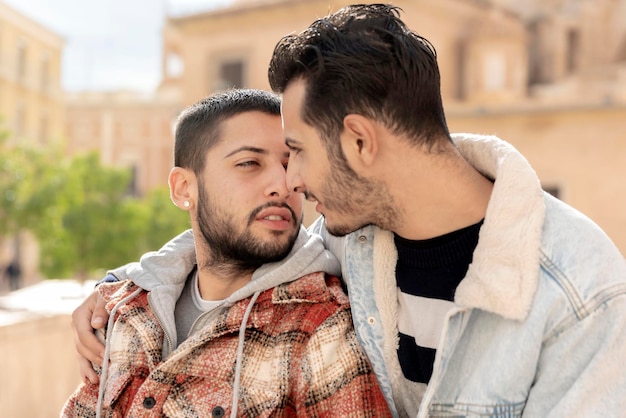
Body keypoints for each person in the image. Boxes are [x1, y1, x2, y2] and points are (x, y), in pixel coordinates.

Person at [72, 4, 626, 417]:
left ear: (360, 142)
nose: (289, 183)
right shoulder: (350, 238)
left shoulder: (581, 294)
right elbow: (229, 235)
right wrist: (126, 284)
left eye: (297, 152)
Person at [62, 88, 391, 417]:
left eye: (291, 163)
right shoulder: (124, 308)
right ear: (183, 188)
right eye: (249, 163)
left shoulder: (321, 329)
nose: (284, 183)